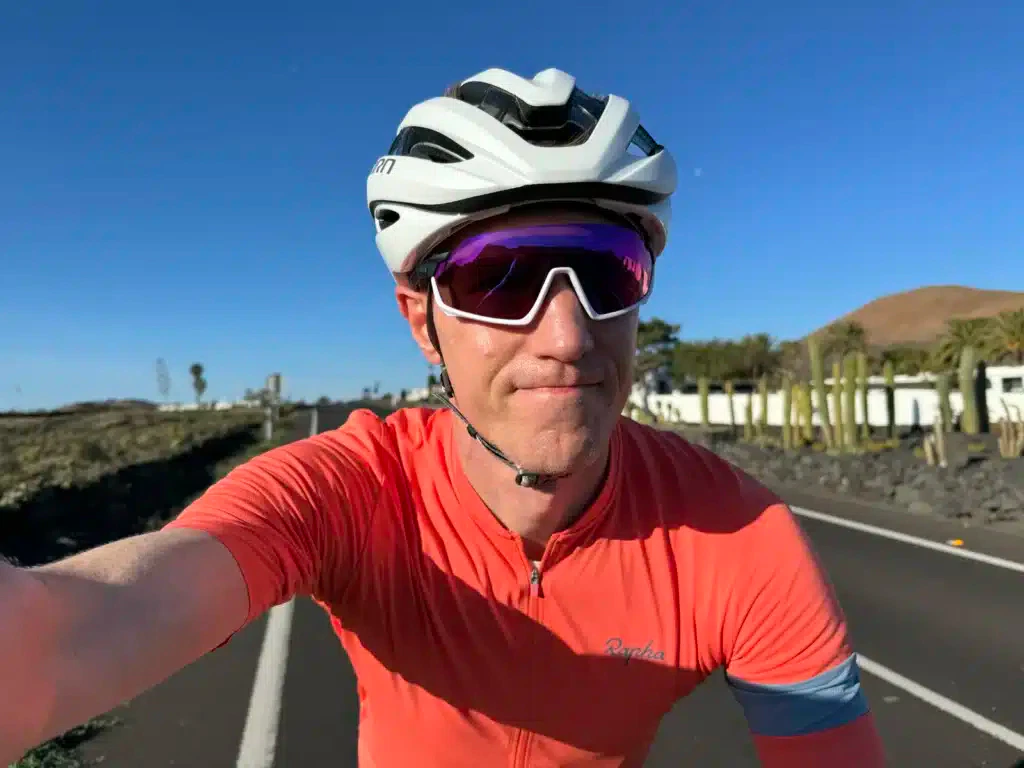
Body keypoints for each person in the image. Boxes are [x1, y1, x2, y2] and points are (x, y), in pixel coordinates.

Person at [1, 67, 887, 767]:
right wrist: (26, 641)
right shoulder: (354, 490)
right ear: (422, 321)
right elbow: (99, 620)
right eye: (500, 279)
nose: (568, 337)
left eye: (606, 270)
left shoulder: (742, 536)